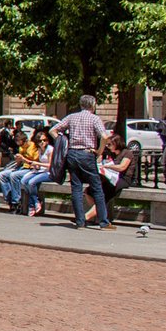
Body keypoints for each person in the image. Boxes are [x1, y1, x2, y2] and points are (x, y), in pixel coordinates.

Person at [49, 95, 113, 230]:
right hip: (87, 154)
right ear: (93, 105)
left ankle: (80, 222)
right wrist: (99, 151)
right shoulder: (94, 118)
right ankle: (104, 222)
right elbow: (105, 136)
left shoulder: (72, 117)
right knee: (97, 188)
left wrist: (62, 142)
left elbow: (53, 130)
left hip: (72, 154)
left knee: (76, 188)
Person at [86, 135, 136, 225]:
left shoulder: (127, 153)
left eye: (109, 144)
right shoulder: (110, 153)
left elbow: (122, 167)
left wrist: (109, 166)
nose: (108, 146)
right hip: (110, 177)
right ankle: (100, 215)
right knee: (88, 191)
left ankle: (86, 217)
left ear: (117, 144)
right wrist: (98, 157)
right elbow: (99, 160)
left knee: (103, 196)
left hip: (123, 179)